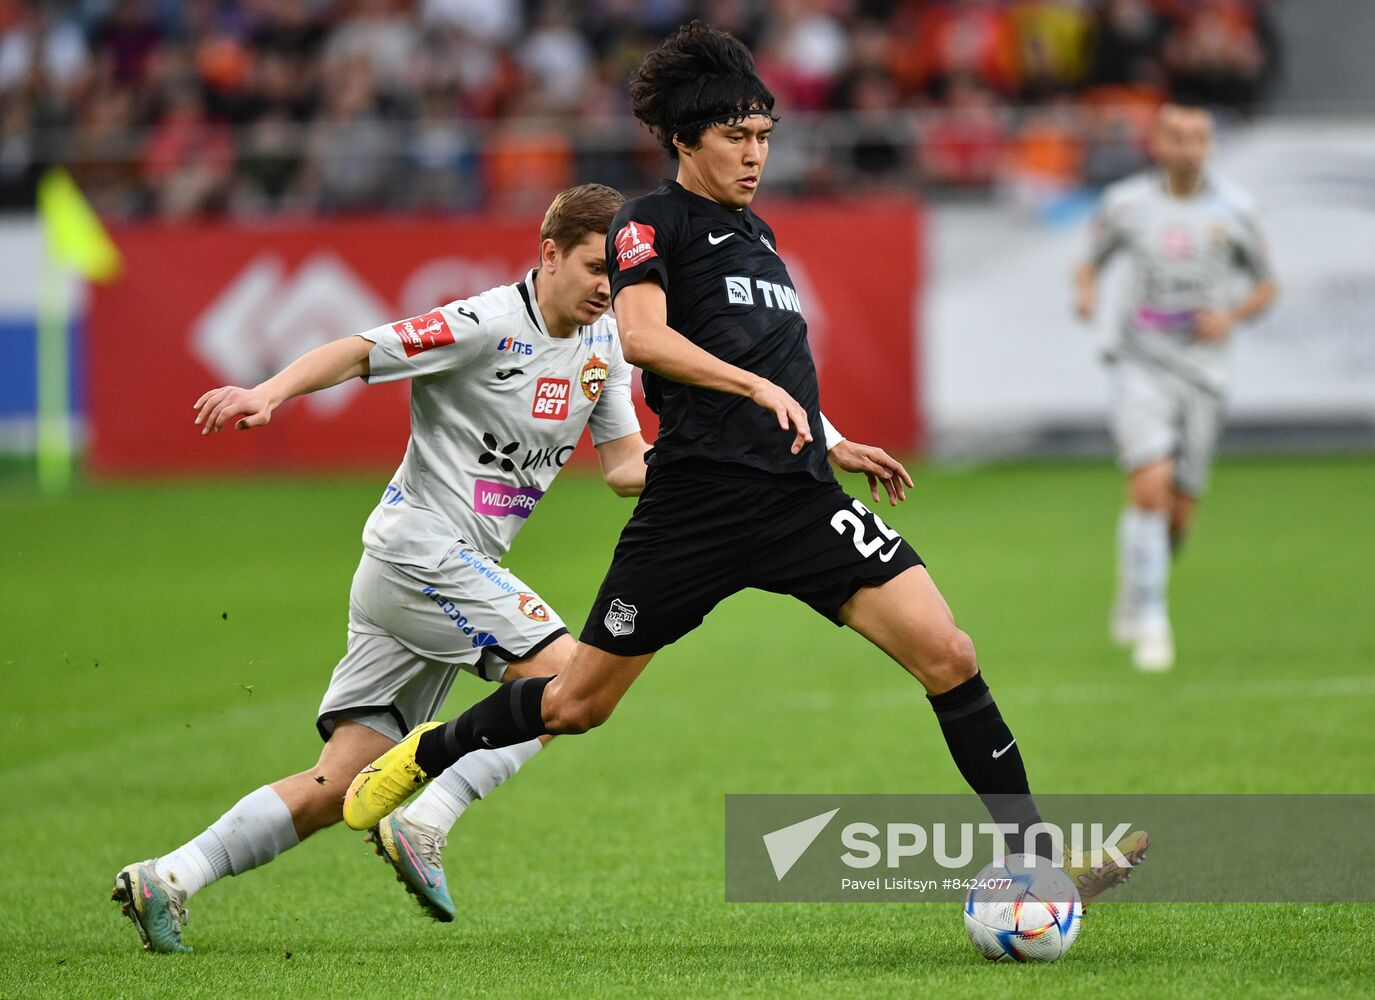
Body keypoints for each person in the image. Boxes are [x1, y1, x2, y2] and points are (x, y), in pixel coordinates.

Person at [346, 23, 1147, 900]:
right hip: (694, 508)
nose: (754, 154)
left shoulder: (759, 235)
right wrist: (754, 391)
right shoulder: (649, 225)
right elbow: (644, 338)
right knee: (578, 703)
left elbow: (767, 358)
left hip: (799, 499)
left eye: (764, 136)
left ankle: (1034, 860)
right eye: (735, 137)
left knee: (948, 653)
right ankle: (430, 750)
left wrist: (830, 435)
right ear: (686, 139)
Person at [112, 184, 654, 951]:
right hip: (421, 553)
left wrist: (707, 467)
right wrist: (268, 394)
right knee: (569, 683)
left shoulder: (604, 346)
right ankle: (425, 820)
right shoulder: (485, 321)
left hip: (433, 575)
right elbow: (359, 350)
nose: (609, 287)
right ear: (550, 255)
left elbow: (625, 466)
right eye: (597, 267)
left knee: (338, 786)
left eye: (620, 274)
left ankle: (168, 876)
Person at [1074, 104, 1277, 671]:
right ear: (1158, 144)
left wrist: (1231, 317)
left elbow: (1267, 285)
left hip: (1204, 371)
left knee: (1180, 512)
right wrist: (1087, 292)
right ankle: (1153, 620)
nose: (1187, 147)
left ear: (1210, 145)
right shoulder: (1127, 205)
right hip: (1140, 364)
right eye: (1176, 137)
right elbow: (1088, 262)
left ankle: (1134, 583)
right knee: (1150, 484)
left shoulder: (1236, 210)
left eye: (1197, 138)